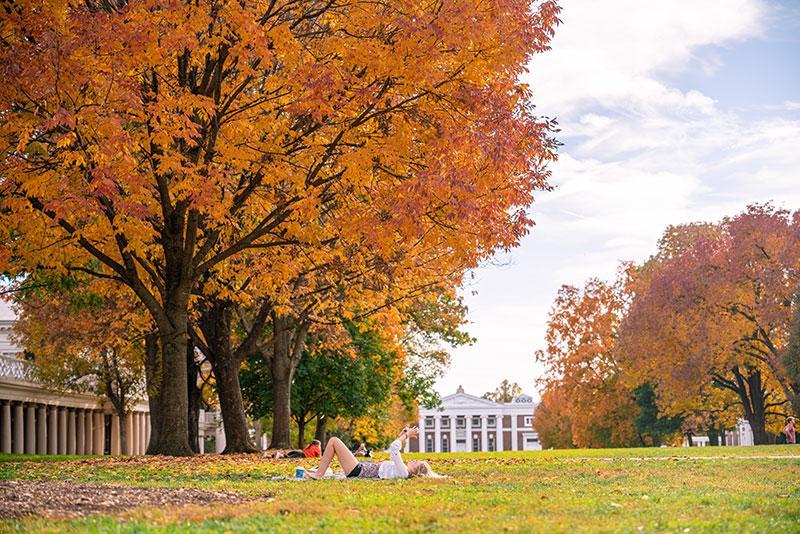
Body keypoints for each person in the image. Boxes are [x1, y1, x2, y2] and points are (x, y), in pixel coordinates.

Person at [305, 426, 439, 479]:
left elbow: (394, 448)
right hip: (359, 467)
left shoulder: (403, 472)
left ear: (415, 471)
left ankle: (319, 473)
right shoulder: (400, 470)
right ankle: (319, 472)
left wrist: (406, 436)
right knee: (335, 442)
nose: (414, 461)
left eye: (416, 463)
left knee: (334, 441)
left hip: (358, 470)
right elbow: (393, 453)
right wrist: (401, 434)